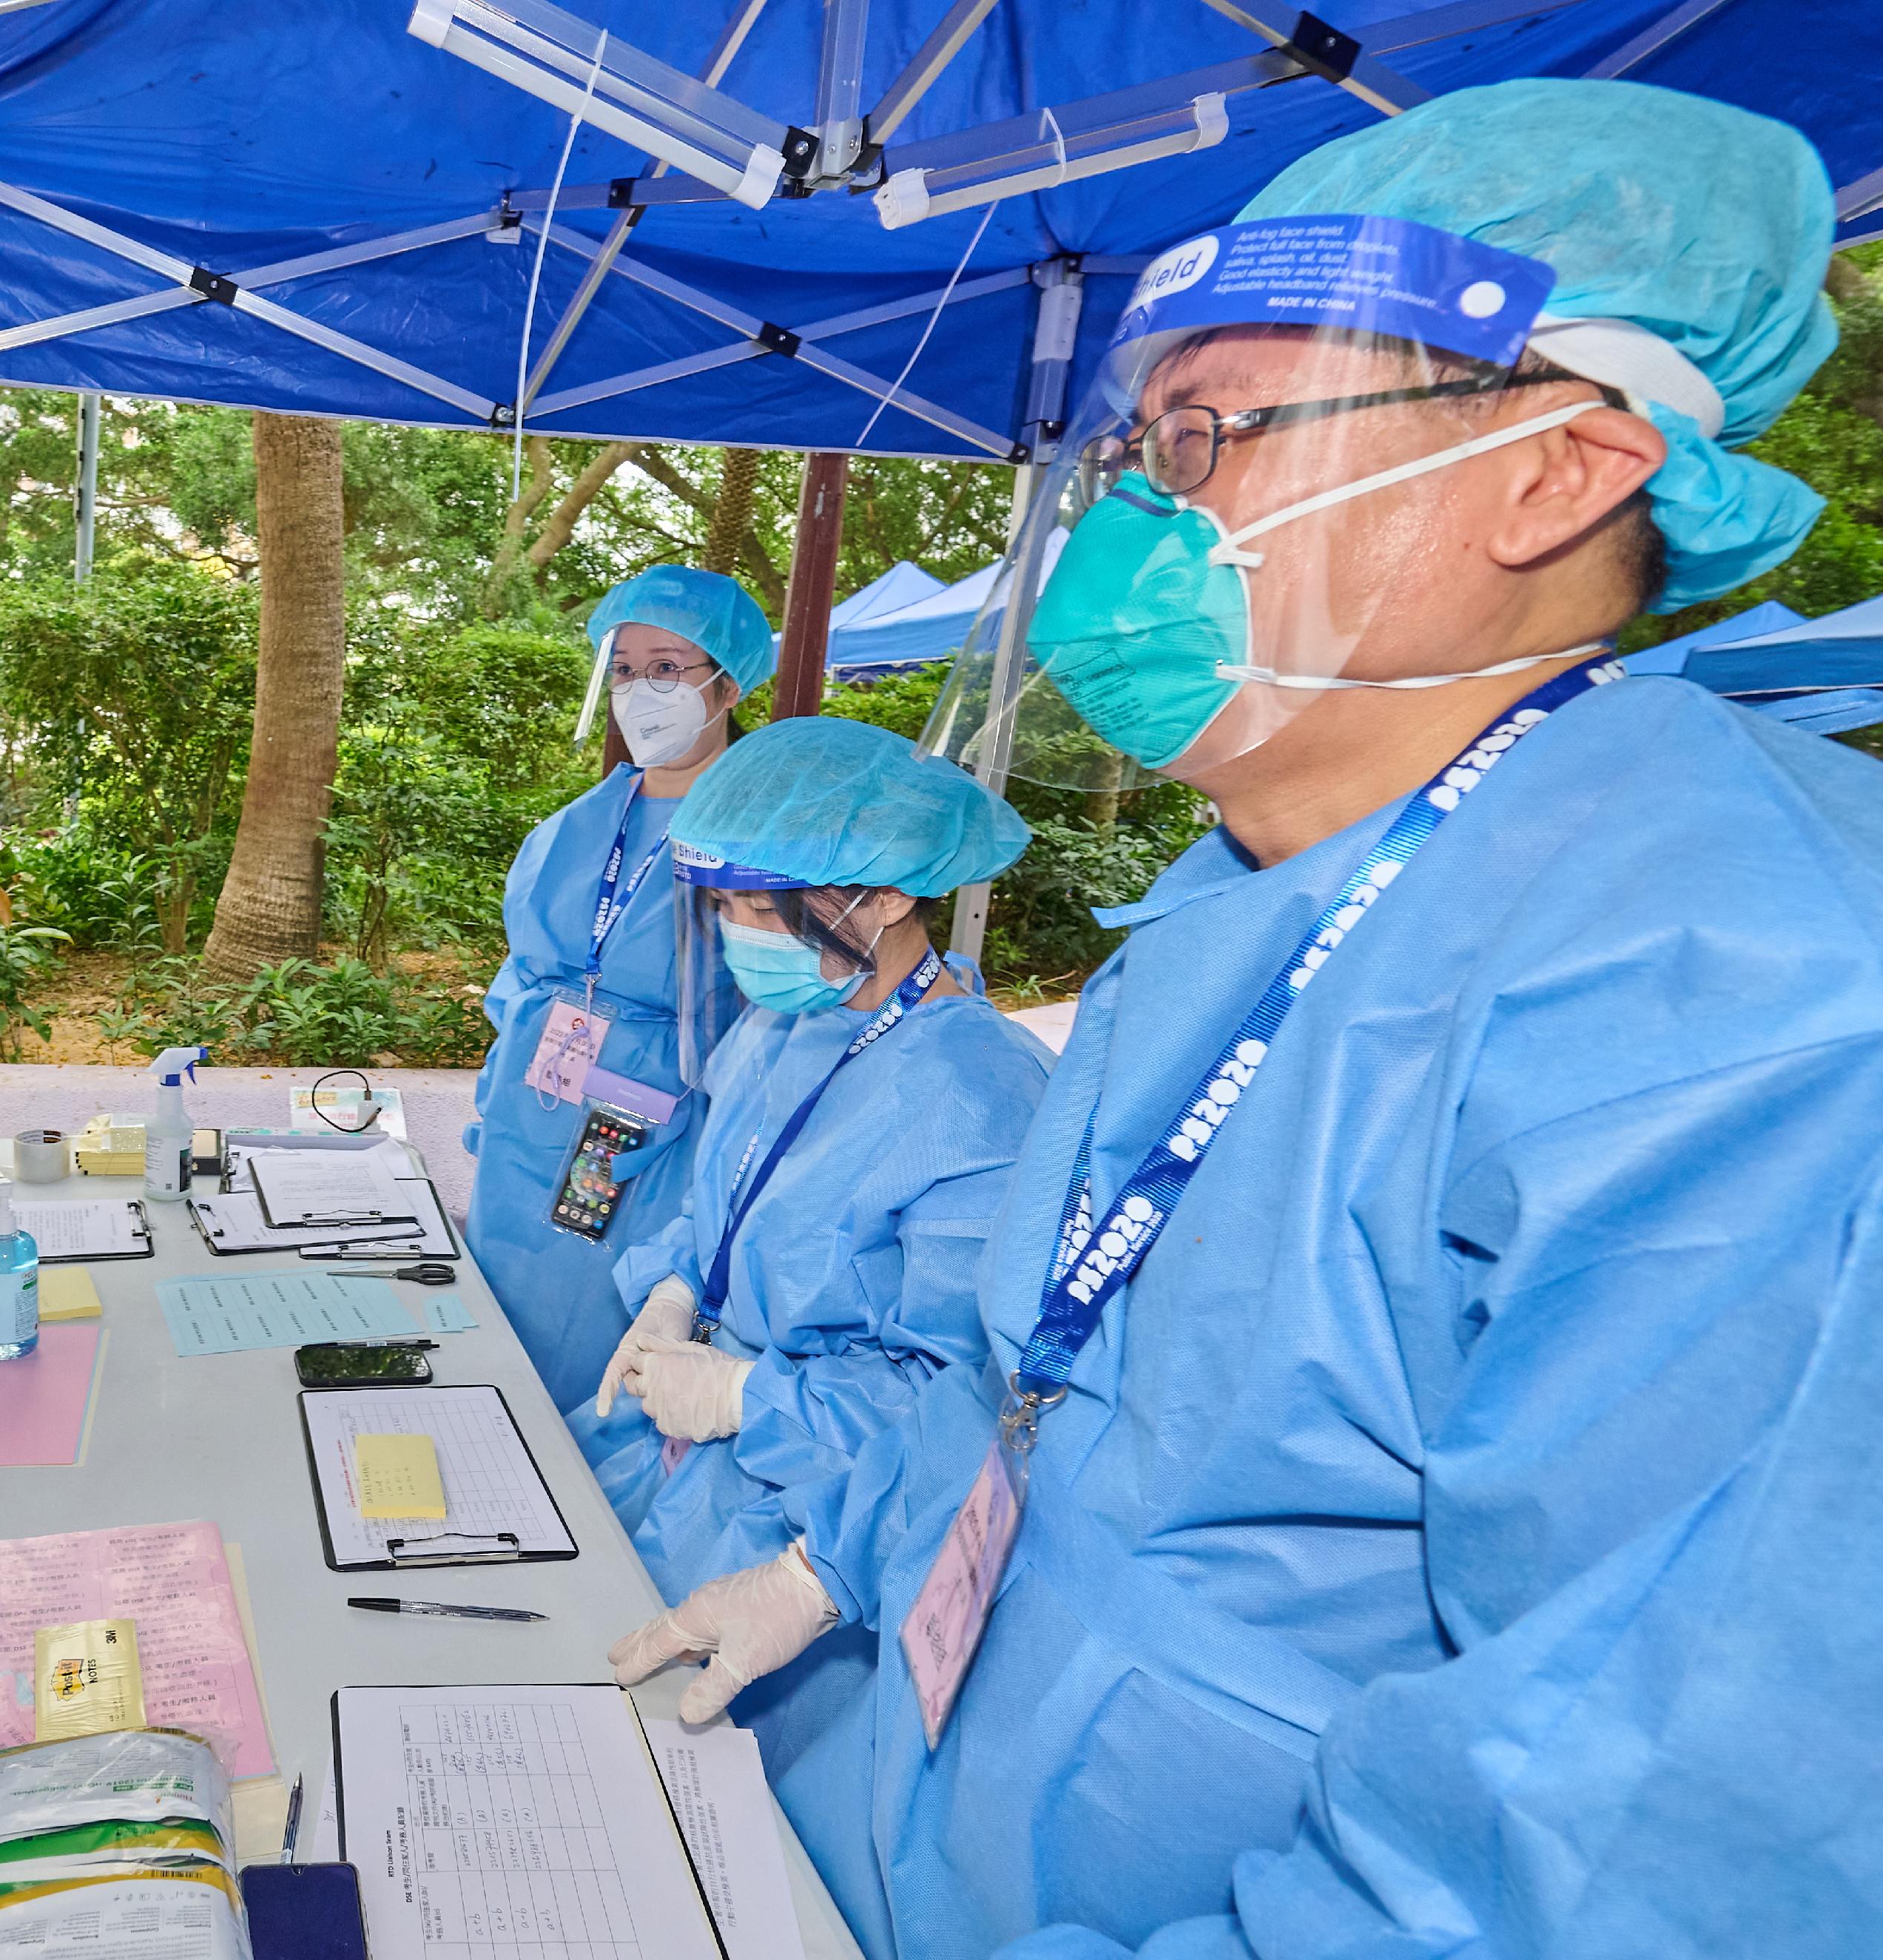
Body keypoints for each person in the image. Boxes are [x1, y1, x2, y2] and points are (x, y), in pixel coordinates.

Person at [611, 79, 1883, 1958]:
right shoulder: (1235, 914)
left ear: (1555, 468)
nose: (1129, 522)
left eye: (1203, 442)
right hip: (995, 1820)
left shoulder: (1743, 982)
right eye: (1134, 449)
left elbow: (1639, 1836)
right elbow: (1073, 1408)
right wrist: (828, 1564)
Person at [587, 713, 1043, 1960]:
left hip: (819, 1526)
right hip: (671, 1474)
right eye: (721, 903)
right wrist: (676, 1288)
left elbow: (978, 1405)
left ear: (888, 891)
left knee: (737, 1871)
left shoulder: (984, 1097)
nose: (736, 934)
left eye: (760, 904)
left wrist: (753, 1399)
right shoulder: (785, 1024)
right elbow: (713, 1203)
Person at [466, 565, 772, 1418]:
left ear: (727, 680)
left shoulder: (756, 837)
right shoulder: (571, 830)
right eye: (627, 668)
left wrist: (716, 1136)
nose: (643, 689)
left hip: (657, 1136)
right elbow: (521, 979)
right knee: (498, 1332)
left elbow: (779, 1010)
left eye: (668, 667)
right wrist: (504, 1091)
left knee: (610, 1349)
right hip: (535, 1117)